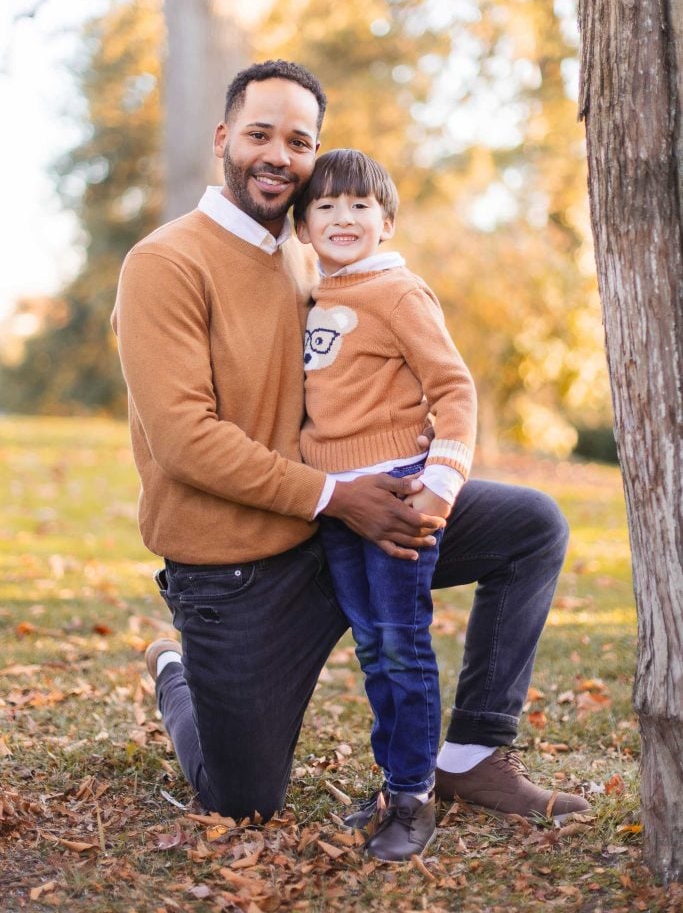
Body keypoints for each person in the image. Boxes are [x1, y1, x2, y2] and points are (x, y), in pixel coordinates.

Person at [111, 58, 589, 834]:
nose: (278, 155)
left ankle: (469, 756)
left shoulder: (310, 257)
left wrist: (411, 445)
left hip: (341, 522)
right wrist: (337, 496)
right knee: (243, 802)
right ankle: (176, 672)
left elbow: (366, 364)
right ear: (224, 137)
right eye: (259, 134)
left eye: (298, 141)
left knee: (529, 525)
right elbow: (184, 442)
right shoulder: (165, 264)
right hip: (237, 570)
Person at [293, 148, 477, 861]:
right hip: (341, 503)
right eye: (326, 207)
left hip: (398, 493)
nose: (343, 217)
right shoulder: (315, 295)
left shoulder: (399, 294)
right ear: (304, 226)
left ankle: (413, 797)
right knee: (371, 647)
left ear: (387, 222)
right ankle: (391, 783)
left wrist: (441, 480)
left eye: (360, 206)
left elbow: (454, 391)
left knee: (402, 644)